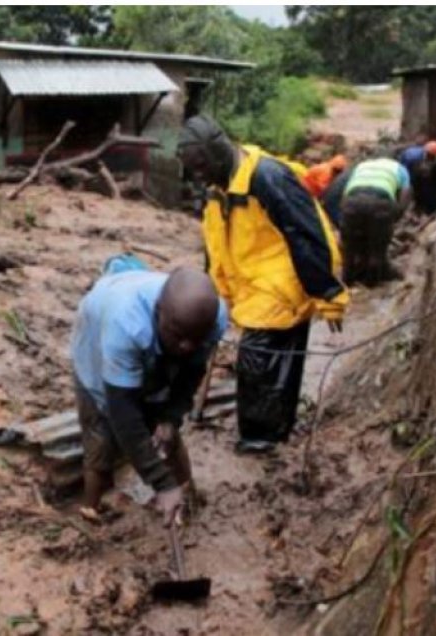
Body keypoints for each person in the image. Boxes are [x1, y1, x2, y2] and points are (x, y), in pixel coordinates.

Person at [177, 115, 348, 454]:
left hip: (283, 282)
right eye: (192, 169)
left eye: (200, 167)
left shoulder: (268, 177)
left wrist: (328, 293)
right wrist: (217, 292)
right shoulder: (217, 185)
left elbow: (309, 233)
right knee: (280, 362)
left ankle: (260, 440)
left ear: (218, 152)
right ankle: (276, 430)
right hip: (252, 285)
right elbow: (215, 243)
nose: (198, 176)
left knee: (256, 357)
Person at [70, 263, 227, 526]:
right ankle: (91, 508)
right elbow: (124, 416)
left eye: (194, 338)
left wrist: (170, 417)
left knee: (166, 435)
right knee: (102, 434)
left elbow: (191, 374)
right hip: (97, 338)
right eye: (178, 336)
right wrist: (162, 484)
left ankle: (186, 499)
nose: (187, 346)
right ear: (158, 313)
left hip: (152, 338)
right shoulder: (125, 325)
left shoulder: (212, 319)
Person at [340, 157, 412, 286]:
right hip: (380, 202)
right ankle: (371, 283)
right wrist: (393, 218)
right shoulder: (401, 169)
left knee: (349, 247)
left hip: (351, 202)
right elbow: (405, 196)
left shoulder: (362, 165)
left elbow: (346, 193)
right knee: (378, 249)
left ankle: (348, 279)